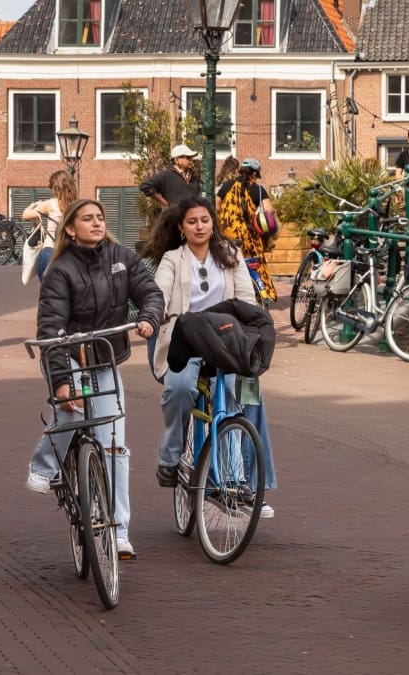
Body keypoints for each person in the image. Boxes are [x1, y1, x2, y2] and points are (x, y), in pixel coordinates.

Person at [25, 198, 163, 559]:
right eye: (88, 219)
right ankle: (45, 465)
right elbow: (50, 327)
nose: (97, 223)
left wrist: (149, 317)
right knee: (71, 407)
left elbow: (149, 291)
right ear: (71, 228)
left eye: (100, 217)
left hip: (104, 358)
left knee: (115, 445)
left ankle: (118, 532)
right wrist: (60, 381)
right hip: (68, 356)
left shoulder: (121, 258)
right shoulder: (59, 271)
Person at [145, 197, 276, 517]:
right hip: (184, 341)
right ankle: (171, 454)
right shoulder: (172, 260)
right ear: (181, 227)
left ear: (213, 223)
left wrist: (254, 329)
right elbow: (159, 292)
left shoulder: (230, 256)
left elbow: (246, 299)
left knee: (248, 395)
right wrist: (155, 313)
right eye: (192, 222)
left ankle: (243, 481)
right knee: (179, 390)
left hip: (225, 341)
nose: (200, 226)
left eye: (205, 220)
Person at [216, 158, 277, 303]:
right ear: (255, 174)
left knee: (229, 264)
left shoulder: (227, 185)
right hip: (249, 235)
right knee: (256, 263)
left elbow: (216, 205)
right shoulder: (258, 190)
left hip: (227, 233)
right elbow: (269, 211)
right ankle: (259, 293)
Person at [21, 170, 78, 281]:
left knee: (48, 291)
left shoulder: (50, 204)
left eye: (51, 187)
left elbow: (25, 215)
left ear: (56, 188)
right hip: (71, 253)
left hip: (50, 252)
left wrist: (33, 205)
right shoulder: (78, 205)